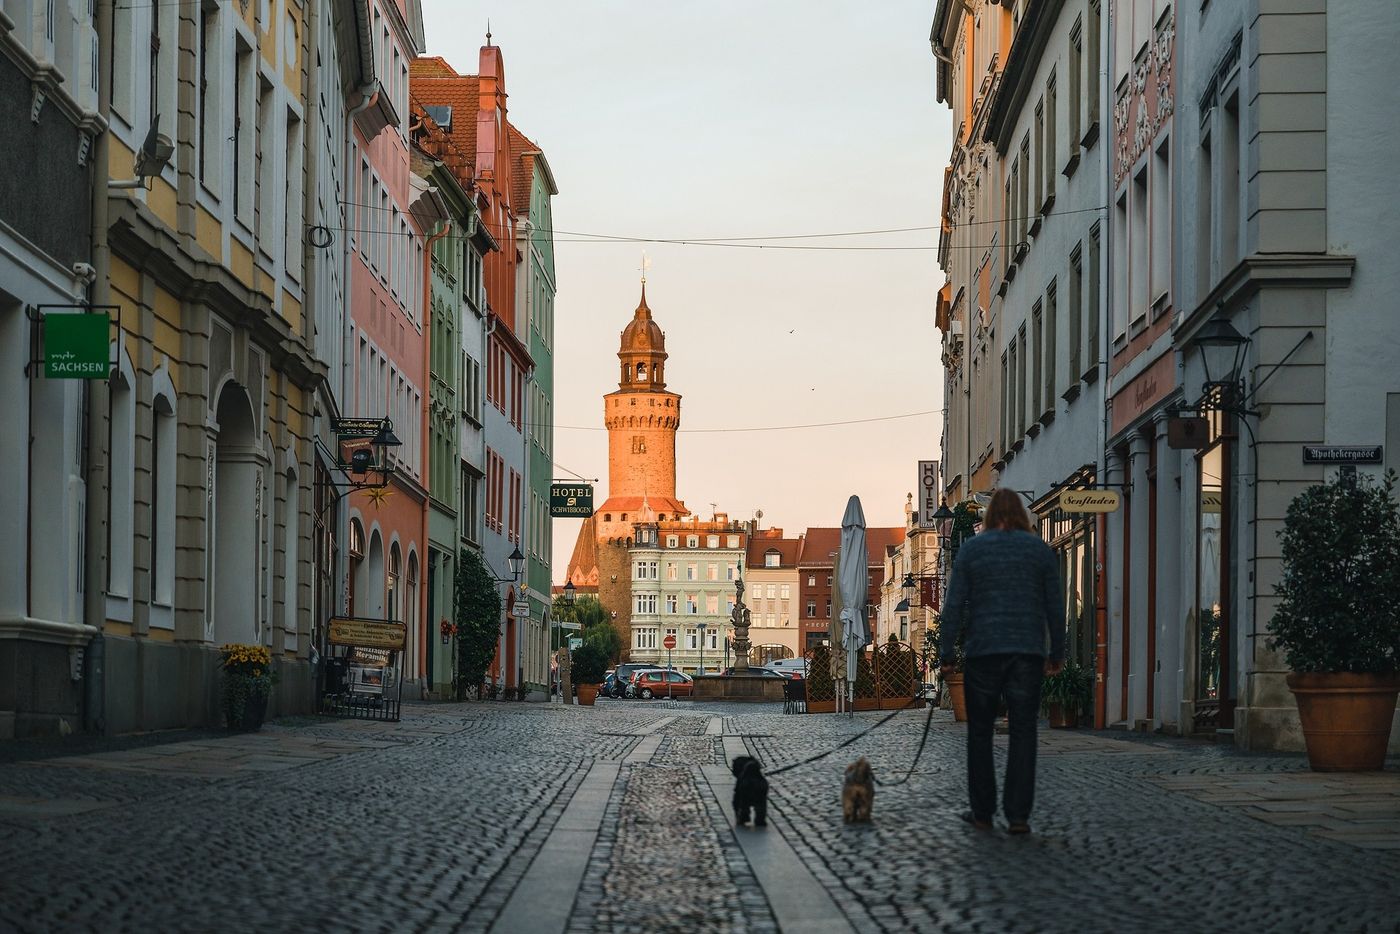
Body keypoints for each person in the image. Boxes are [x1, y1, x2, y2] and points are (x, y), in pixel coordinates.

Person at [939, 488, 1065, 835]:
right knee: (1024, 732)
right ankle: (1018, 816)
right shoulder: (1039, 550)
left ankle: (982, 811)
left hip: (984, 651)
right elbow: (1055, 606)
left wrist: (946, 653)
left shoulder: (973, 550)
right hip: (1027, 652)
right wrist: (1058, 653)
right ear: (1023, 516)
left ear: (989, 515)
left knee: (979, 732)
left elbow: (954, 606)